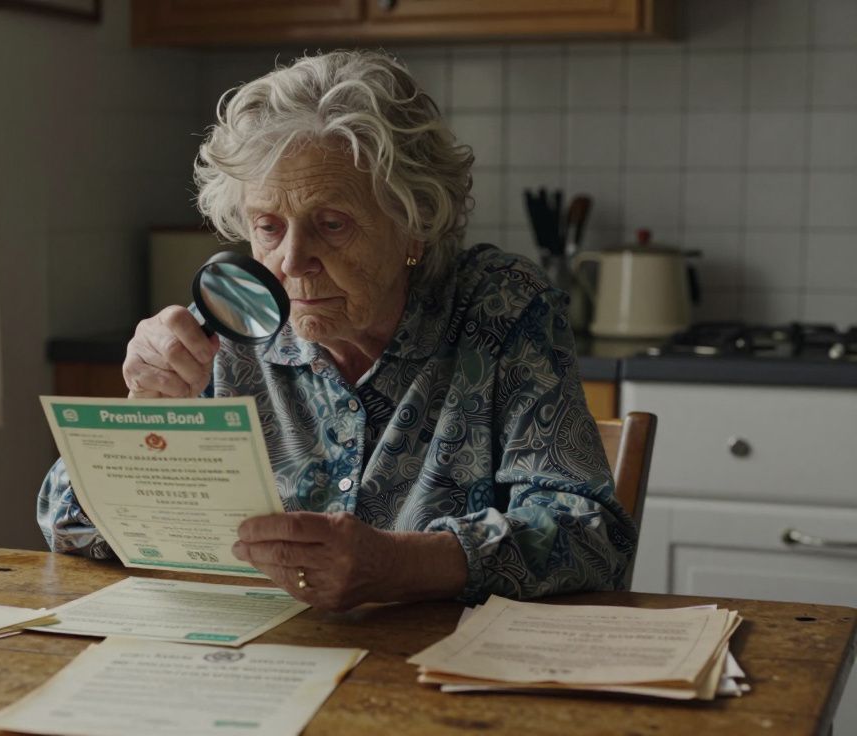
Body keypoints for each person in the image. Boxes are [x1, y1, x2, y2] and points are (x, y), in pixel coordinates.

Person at [37, 49, 635, 611]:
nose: (292, 261)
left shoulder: (500, 308)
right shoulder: (232, 321)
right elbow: (68, 521)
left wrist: (403, 564)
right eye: (268, 227)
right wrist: (143, 414)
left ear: (415, 224)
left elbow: (591, 537)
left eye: (331, 223)